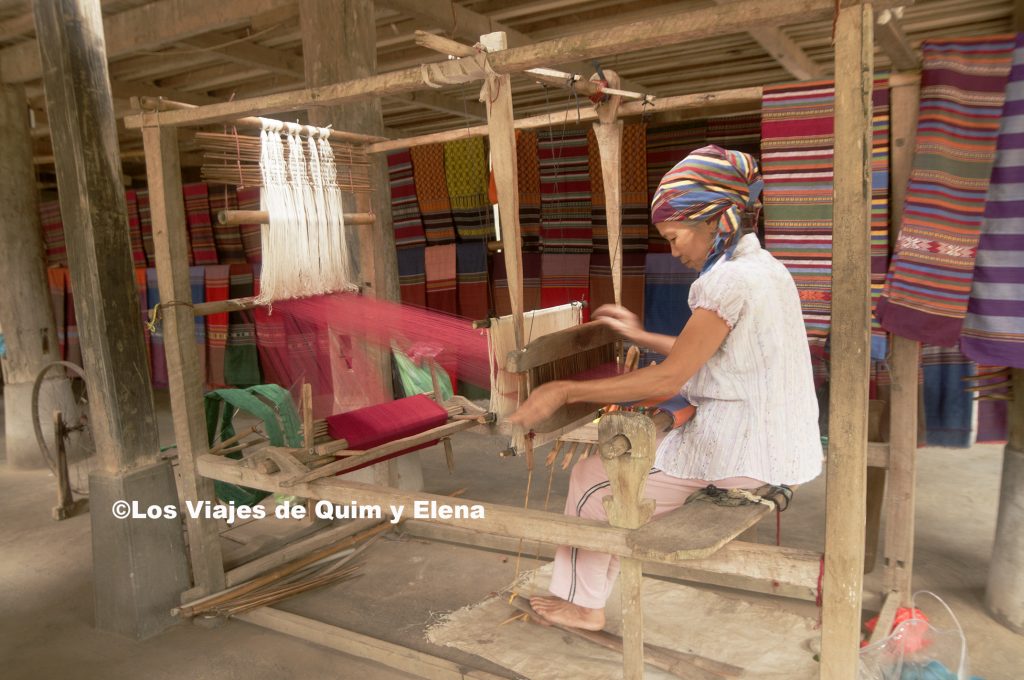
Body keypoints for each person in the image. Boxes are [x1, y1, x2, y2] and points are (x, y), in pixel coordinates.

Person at [506, 145, 822, 631]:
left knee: (593, 480)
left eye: (675, 237)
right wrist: (637, 335)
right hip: (781, 445)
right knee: (615, 473)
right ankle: (587, 591)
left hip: (747, 456)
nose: (674, 251)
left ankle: (582, 604)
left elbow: (670, 376)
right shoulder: (766, 271)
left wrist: (563, 391)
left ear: (717, 221)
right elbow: (710, 349)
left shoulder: (727, 282)